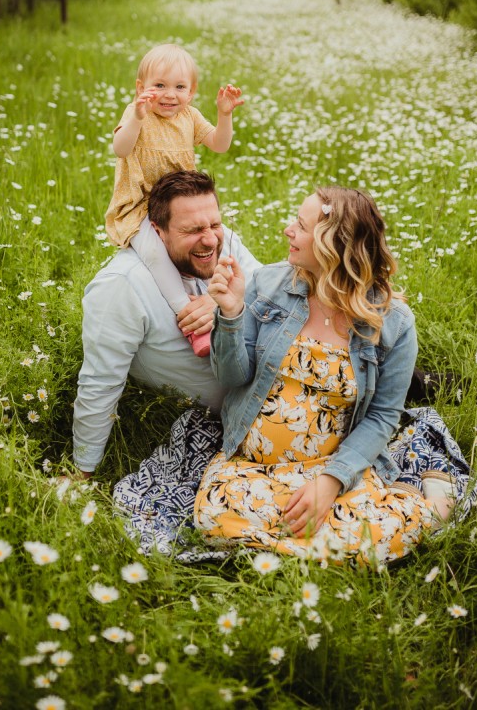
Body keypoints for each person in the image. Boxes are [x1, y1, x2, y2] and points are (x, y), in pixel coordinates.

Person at [194, 185, 457, 565]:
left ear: (333, 246)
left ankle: (433, 508)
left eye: (300, 226)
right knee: (212, 517)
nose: (287, 230)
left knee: (366, 538)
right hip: (249, 467)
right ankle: (327, 544)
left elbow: (384, 417)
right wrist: (232, 314)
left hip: (329, 467)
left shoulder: (394, 323)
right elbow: (233, 377)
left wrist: (330, 482)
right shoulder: (267, 286)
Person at [73, 171, 261, 477]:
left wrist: (223, 302)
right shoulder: (123, 286)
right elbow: (100, 384)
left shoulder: (224, 244)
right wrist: (82, 470)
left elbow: (272, 287)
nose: (211, 239)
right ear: (157, 233)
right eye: (193, 230)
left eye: (215, 224)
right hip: (247, 413)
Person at [105, 42, 244, 356]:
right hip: (141, 205)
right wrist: (138, 117)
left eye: (179, 87)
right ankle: (189, 319)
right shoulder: (136, 113)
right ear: (141, 88)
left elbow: (220, 145)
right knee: (155, 254)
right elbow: (121, 149)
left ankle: (219, 302)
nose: (169, 94)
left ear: (192, 92)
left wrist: (225, 115)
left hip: (181, 206)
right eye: (159, 86)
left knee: (215, 243)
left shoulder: (190, 116)